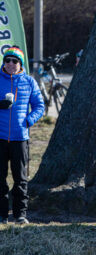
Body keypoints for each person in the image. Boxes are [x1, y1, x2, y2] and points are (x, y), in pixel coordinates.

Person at [0, 46, 45, 224]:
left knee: (20, 179)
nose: (10, 64)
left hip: (20, 138)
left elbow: (40, 106)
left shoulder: (29, 81)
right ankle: (2, 215)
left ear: (21, 64)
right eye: (7, 60)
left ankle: (20, 215)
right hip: (0, 138)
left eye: (15, 61)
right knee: (0, 179)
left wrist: (28, 121)